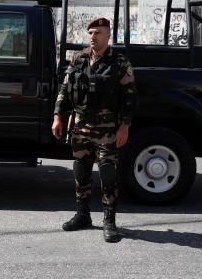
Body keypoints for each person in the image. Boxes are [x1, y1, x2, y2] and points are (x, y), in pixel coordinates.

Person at [51, 17, 136, 243]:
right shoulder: (78, 58)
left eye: (98, 32)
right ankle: (83, 215)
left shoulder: (119, 62)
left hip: (108, 127)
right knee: (81, 169)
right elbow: (65, 88)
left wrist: (124, 126)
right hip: (80, 124)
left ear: (108, 35)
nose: (93, 36)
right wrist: (58, 116)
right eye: (90, 32)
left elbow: (129, 97)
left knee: (107, 172)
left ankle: (109, 221)